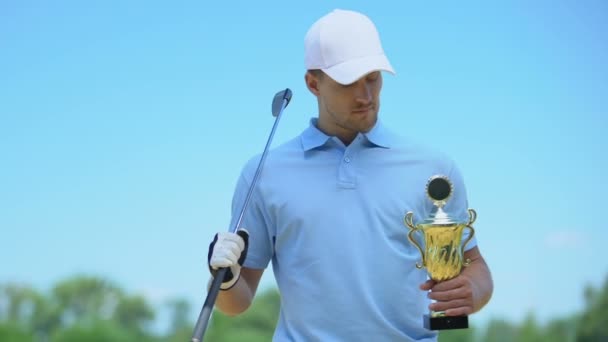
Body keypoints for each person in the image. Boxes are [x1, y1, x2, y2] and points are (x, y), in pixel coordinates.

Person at [207, 8, 493, 341]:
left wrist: (473, 289)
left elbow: (466, 270)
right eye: (348, 83)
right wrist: (224, 279)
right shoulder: (265, 173)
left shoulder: (431, 171)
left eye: (373, 77)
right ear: (314, 84)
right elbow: (235, 303)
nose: (366, 96)